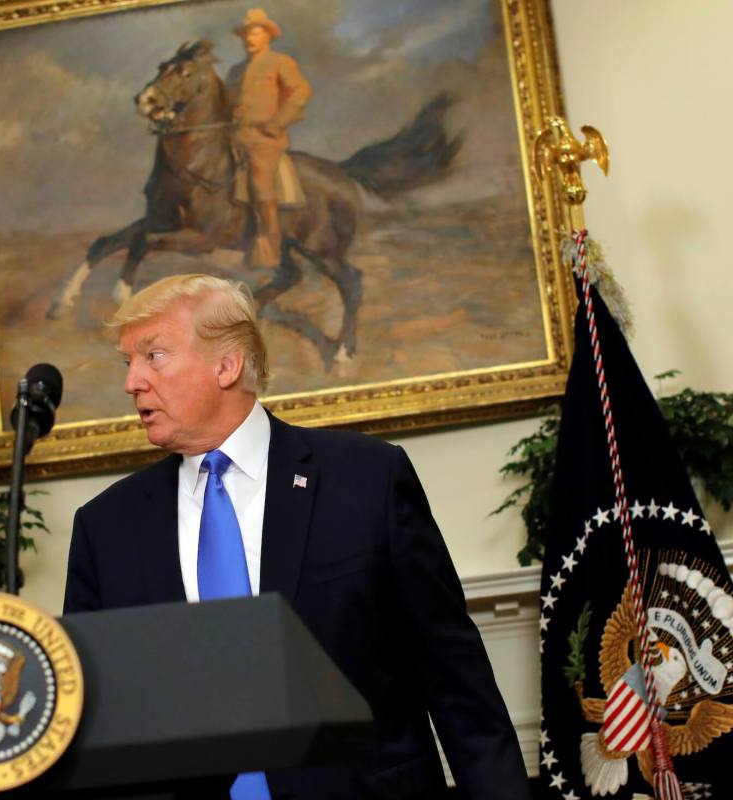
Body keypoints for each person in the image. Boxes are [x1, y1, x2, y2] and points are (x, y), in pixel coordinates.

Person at [63, 274, 529, 799]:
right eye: (128, 363)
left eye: (153, 356)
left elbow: (458, 686)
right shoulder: (106, 528)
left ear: (226, 364)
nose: (132, 382)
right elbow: (96, 728)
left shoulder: (367, 480)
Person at [225, 8, 312, 270]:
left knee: (261, 185)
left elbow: (301, 91)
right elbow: (227, 104)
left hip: (264, 138)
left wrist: (277, 122)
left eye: (255, 32)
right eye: (246, 33)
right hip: (235, 136)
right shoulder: (235, 70)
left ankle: (269, 247)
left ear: (267, 36)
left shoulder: (279, 62)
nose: (249, 38)